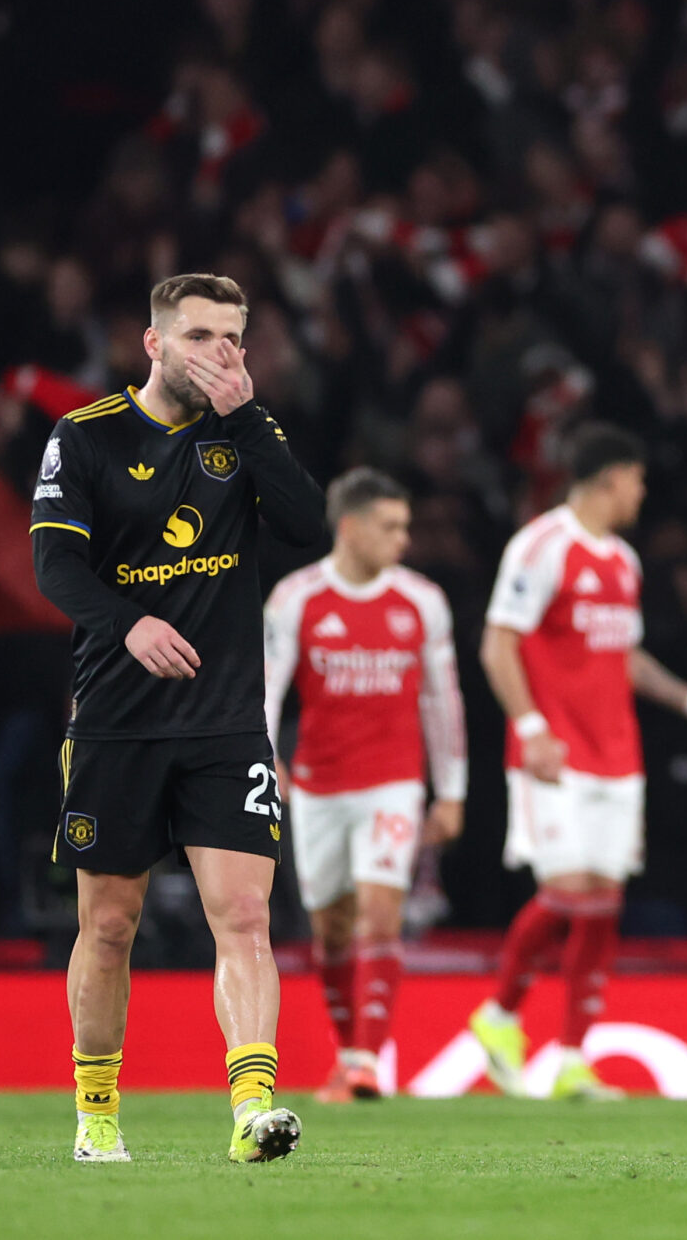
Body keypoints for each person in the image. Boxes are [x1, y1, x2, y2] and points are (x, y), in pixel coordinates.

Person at [29, 273, 324, 1163]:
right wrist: (130, 623)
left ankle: (252, 1110)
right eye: (199, 336)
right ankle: (97, 1115)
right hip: (117, 721)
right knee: (109, 926)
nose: (219, 354)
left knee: (245, 916)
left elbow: (309, 527)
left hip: (224, 723)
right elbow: (54, 567)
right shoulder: (85, 435)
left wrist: (247, 418)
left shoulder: (245, 431)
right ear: (153, 343)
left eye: (232, 338)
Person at [466, 423, 687, 1099]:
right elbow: (497, 645)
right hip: (556, 752)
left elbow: (624, 655)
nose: (642, 492)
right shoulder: (542, 546)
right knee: (568, 890)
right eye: (638, 480)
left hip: (617, 755)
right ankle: (500, 1013)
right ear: (611, 477)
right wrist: (533, 729)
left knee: (602, 904)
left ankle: (574, 1058)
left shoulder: (624, 561)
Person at [263, 467, 467, 1102]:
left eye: (405, 526)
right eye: (390, 527)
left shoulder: (422, 601)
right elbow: (264, 689)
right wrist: (265, 761)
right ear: (349, 528)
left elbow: (443, 700)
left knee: (381, 914)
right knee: (330, 928)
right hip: (318, 786)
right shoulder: (296, 598)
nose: (404, 539)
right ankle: (348, 1052)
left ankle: (366, 1063)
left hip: (393, 783)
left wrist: (452, 789)